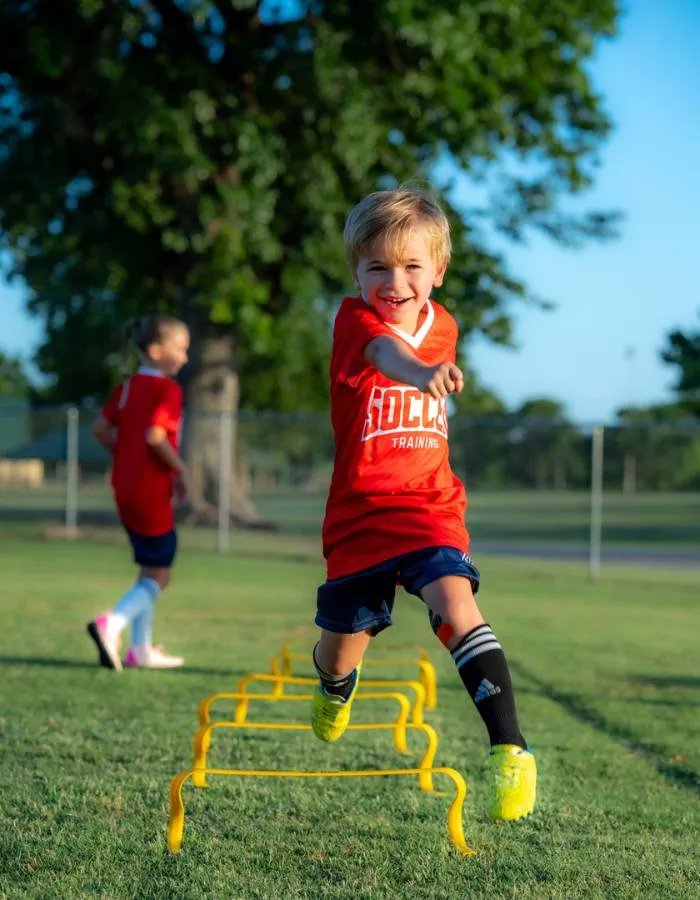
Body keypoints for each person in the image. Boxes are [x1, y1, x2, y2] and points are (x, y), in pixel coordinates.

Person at [310, 188, 537, 821]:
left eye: (412, 266)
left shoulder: (447, 325)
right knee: (342, 646)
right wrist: (421, 374)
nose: (395, 281)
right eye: (378, 267)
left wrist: (430, 370)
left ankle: (510, 749)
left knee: (456, 604)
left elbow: (422, 352)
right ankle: (333, 684)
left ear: (438, 270)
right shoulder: (355, 321)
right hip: (360, 515)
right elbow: (389, 354)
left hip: (430, 504)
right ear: (356, 271)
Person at [87, 315, 190, 671]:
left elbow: (101, 430)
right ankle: (111, 623)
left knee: (149, 568)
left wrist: (125, 455)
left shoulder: (128, 386)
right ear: (156, 350)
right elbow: (156, 437)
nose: (185, 358)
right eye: (181, 349)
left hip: (123, 488)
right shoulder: (168, 390)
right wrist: (181, 470)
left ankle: (140, 649)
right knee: (161, 573)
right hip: (150, 492)